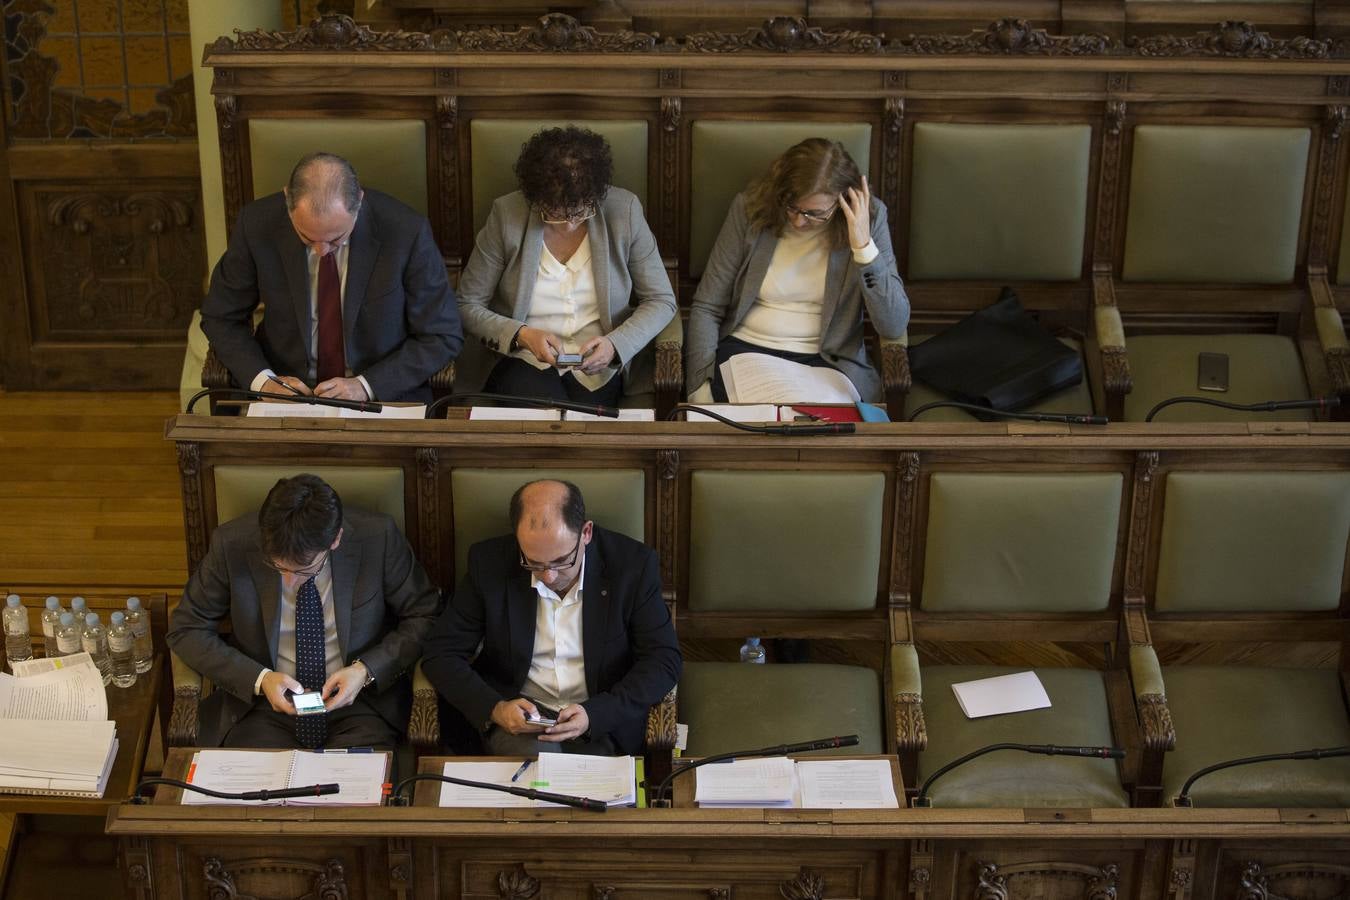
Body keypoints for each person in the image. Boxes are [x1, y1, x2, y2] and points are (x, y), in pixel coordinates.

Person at [167, 474, 441, 749]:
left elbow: (425, 615)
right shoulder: (231, 543)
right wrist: (259, 679)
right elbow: (186, 628)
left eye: (304, 570)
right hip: (261, 709)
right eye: (278, 567)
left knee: (356, 790)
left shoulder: (378, 537)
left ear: (335, 540)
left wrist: (366, 671)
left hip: (361, 706)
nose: (289, 582)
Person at [422, 480, 681, 756]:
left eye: (561, 562)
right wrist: (494, 708)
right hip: (519, 719)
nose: (548, 577)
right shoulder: (489, 563)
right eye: (533, 563)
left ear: (586, 533)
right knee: (533, 787)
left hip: (599, 716)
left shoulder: (632, 566)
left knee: (584, 793)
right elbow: (441, 653)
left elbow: (663, 659)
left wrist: (596, 714)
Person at [201, 152, 463, 404]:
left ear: (359, 201)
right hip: (285, 391)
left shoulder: (406, 231)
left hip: (380, 395)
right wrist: (264, 381)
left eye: (336, 239)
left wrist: (365, 386)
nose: (321, 251)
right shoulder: (256, 224)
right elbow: (220, 317)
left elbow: (442, 335)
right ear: (287, 200)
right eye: (306, 238)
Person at [456, 126, 676, 407]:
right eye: (557, 213)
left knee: (587, 427)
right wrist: (522, 335)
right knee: (546, 417)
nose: (571, 223)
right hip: (524, 360)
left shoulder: (626, 211)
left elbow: (661, 300)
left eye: (582, 210)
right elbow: (467, 304)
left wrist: (615, 344)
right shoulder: (506, 215)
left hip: (601, 367)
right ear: (536, 198)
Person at [687, 138, 909, 403]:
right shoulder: (750, 209)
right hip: (745, 350)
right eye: (791, 205)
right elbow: (707, 306)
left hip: (829, 361)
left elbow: (893, 323)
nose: (798, 220)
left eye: (814, 213)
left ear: (843, 201)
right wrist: (699, 387)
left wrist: (863, 248)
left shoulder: (870, 218)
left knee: (821, 435)